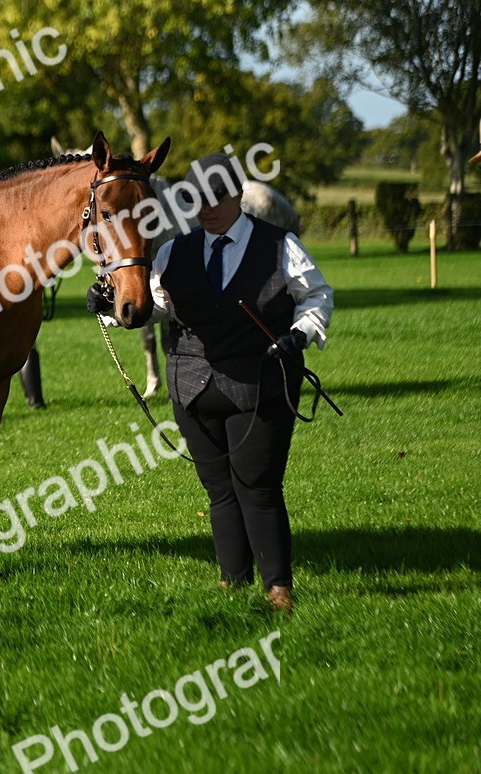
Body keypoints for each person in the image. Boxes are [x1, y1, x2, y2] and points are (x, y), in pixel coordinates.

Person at [87, 152, 333, 614]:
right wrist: (108, 308)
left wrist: (299, 334)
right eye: (197, 199)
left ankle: (278, 589)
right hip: (192, 388)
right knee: (219, 489)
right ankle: (232, 582)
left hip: (261, 384)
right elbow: (156, 308)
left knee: (257, 486)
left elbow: (316, 295)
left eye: (216, 198)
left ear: (237, 194)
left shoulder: (279, 244)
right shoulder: (173, 251)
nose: (206, 208)